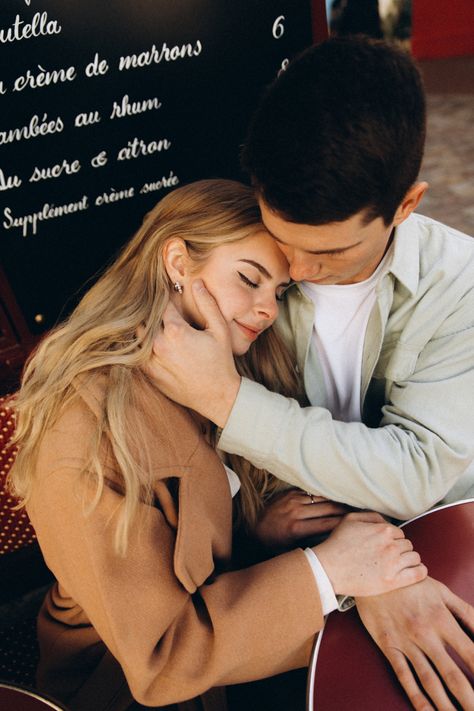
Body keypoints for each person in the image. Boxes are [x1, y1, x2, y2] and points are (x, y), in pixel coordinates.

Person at [8, 180, 425, 711]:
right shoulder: (86, 428)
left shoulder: (223, 366)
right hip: (125, 684)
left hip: (235, 635)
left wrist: (256, 529)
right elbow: (158, 662)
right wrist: (326, 571)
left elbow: (190, 537)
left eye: (278, 292)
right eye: (249, 279)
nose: (267, 310)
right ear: (178, 261)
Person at [147, 38, 474, 710]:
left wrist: (228, 399)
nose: (292, 270)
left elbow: (413, 471)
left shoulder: (463, 284)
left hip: (438, 534)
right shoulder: (237, 258)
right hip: (289, 556)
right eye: (281, 237)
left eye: (326, 250)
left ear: (406, 206)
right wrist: (356, 573)